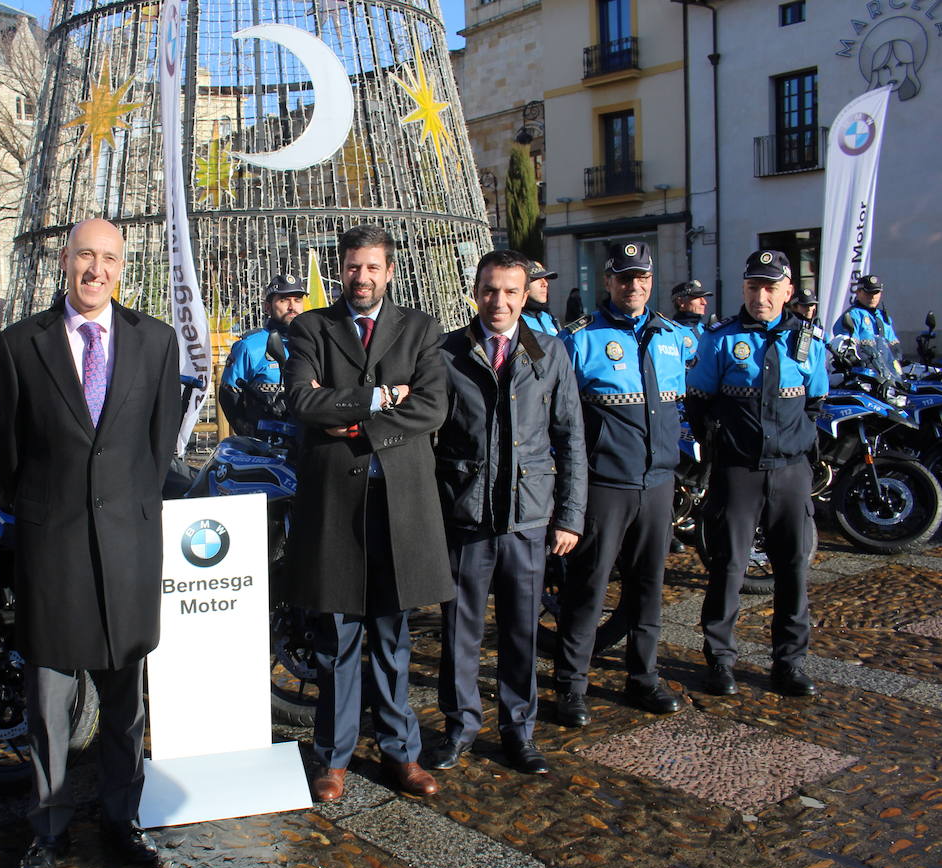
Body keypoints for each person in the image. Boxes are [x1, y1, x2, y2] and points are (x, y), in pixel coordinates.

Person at [0, 218, 180, 868]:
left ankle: (123, 822)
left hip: (128, 550)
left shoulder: (156, 341)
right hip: (54, 550)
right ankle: (47, 830)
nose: (96, 270)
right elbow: (6, 453)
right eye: (85, 256)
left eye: (109, 259)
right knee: (49, 705)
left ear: (123, 267)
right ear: (64, 260)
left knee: (126, 708)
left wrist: (124, 510)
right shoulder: (21, 345)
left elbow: (158, 446)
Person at [283, 224, 452, 803]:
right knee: (336, 639)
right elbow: (301, 400)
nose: (362, 277)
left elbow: (432, 407)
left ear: (389, 271)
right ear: (341, 268)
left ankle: (402, 753)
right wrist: (382, 397)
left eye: (373, 267)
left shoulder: (420, 329)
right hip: (335, 505)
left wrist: (354, 422)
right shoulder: (311, 328)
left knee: (391, 637)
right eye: (354, 266)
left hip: (399, 505)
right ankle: (332, 759)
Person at [426, 249, 586, 776]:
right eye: (490, 290)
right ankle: (459, 727)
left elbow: (571, 437)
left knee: (522, 631)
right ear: (475, 292)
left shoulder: (549, 352)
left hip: (528, 516)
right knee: (460, 631)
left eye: (510, 291)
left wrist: (570, 516)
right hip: (465, 514)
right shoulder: (447, 352)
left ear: (524, 295)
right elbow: (428, 438)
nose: (499, 301)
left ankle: (519, 731)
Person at [553, 241, 687, 728]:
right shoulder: (580, 339)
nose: (634, 286)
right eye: (624, 278)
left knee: (648, 586)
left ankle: (643, 676)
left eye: (641, 278)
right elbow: (560, 420)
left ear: (651, 281)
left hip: (658, 483)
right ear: (607, 281)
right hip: (605, 486)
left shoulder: (672, 336)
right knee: (588, 588)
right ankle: (571, 685)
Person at [686, 249, 827, 697]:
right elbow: (698, 402)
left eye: (770, 287)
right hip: (739, 472)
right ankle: (720, 660)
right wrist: (724, 442)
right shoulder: (721, 339)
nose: (760, 296)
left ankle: (789, 663)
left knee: (792, 568)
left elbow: (814, 403)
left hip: (789, 472)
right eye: (753, 287)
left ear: (788, 291)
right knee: (728, 566)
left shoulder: (807, 341)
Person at [218, 274, 305, 435]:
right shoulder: (250, 346)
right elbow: (229, 394)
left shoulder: (313, 342)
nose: (292, 307)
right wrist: (247, 431)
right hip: (269, 440)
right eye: (284, 300)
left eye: (297, 300)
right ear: (267, 307)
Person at [833, 274, 899, 353]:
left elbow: (894, 347)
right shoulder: (853, 315)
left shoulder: (883, 317)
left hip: (883, 361)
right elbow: (846, 348)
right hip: (861, 361)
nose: (873, 297)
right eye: (868, 293)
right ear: (858, 292)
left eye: (876, 292)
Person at [670, 279, 714, 360]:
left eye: (703, 297)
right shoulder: (671, 331)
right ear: (681, 302)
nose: (704, 302)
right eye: (697, 298)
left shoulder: (704, 328)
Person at [520, 260, 560, 336]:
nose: (545, 284)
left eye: (545, 278)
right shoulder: (514, 321)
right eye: (537, 279)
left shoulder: (548, 317)